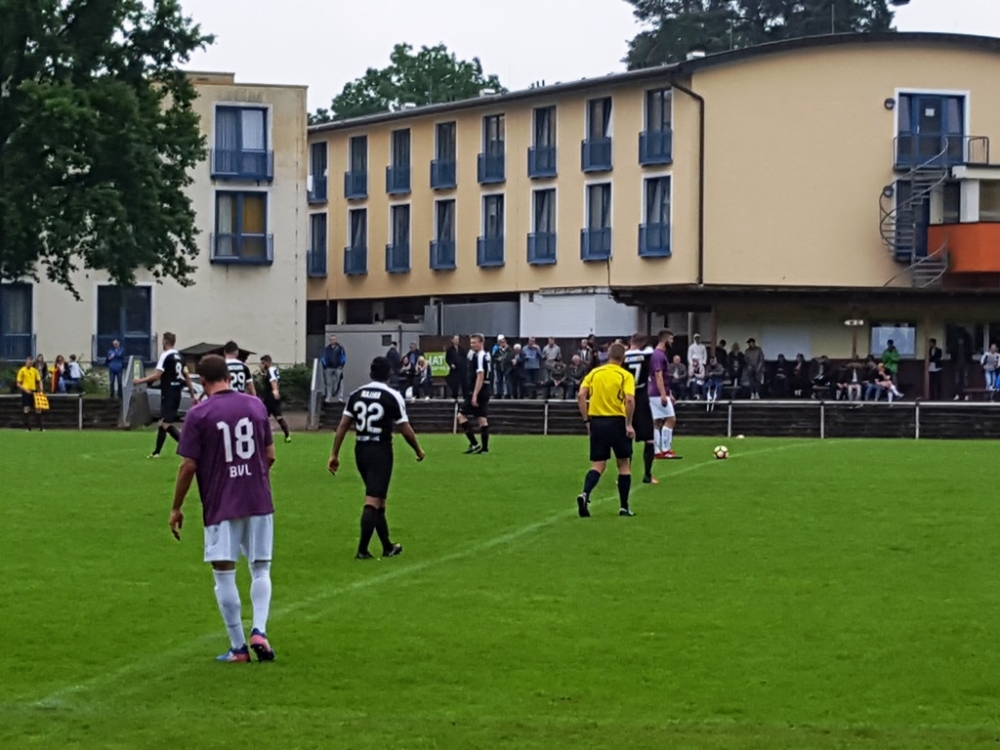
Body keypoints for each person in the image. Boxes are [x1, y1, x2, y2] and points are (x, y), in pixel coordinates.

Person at [171, 355, 277, 663]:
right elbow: (270, 455)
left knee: (224, 573)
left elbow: (188, 465)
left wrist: (176, 507)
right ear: (229, 377)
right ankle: (259, 629)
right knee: (260, 568)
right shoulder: (256, 406)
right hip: (258, 499)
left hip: (221, 501)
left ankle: (238, 647)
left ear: (202, 381)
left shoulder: (199, 413)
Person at [329, 356, 425, 560]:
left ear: (370, 373)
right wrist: (418, 449)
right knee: (373, 499)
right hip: (380, 450)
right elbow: (405, 428)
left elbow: (343, 426)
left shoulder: (356, 394)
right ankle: (362, 550)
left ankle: (387, 546)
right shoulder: (392, 395)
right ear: (389, 374)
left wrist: (334, 454)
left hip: (360, 449)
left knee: (379, 499)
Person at [576, 342, 636, 518]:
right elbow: (630, 400)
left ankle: (585, 494)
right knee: (623, 464)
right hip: (617, 421)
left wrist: (587, 420)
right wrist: (629, 424)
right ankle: (624, 507)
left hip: (597, 421)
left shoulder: (595, 373)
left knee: (598, 464)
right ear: (623, 358)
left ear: (608, 356)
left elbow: (581, 395)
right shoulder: (625, 375)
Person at [133, 332, 199, 458]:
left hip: (169, 392)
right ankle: (156, 452)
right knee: (162, 422)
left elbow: (157, 375)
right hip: (177, 392)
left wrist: (139, 381)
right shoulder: (180, 357)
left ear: (164, 341)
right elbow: (187, 376)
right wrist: (192, 394)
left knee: (164, 424)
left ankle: (187, 446)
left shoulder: (165, 355)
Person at [623, 334, 657, 485]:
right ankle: (648, 475)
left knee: (626, 436)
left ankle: (624, 473)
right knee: (649, 438)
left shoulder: (623, 357)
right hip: (642, 397)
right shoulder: (648, 355)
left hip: (626, 396)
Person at [457, 333, 492, 454]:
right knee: (482, 418)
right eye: (471, 343)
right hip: (486, 388)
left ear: (481, 343)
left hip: (480, 389)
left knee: (461, 415)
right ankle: (485, 448)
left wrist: (475, 394)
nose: (472, 345)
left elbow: (480, 376)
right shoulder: (484, 355)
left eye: (474, 343)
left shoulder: (480, 356)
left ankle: (474, 443)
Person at [649, 330, 681, 460]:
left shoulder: (659, 354)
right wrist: (663, 394)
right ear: (664, 340)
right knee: (671, 419)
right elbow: (658, 375)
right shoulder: (658, 355)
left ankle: (657, 451)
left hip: (654, 393)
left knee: (657, 421)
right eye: (671, 339)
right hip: (657, 393)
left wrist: (669, 393)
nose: (672, 342)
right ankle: (666, 450)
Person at [257, 355, 291, 443]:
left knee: (265, 416)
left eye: (262, 363)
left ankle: (266, 435)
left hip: (270, 398)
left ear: (267, 363)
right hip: (269, 398)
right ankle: (287, 435)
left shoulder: (271, 370)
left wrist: (275, 390)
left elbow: (273, 380)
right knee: (277, 416)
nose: (261, 365)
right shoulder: (271, 370)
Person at [16, 355, 44, 431]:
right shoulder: (22, 370)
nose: (30, 364)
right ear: (26, 362)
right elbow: (18, 383)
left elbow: (39, 380)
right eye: (28, 362)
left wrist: (41, 389)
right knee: (26, 408)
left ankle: (40, 427)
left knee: (38, 408)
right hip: (26, 391)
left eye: (31, 362)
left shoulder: (34, 370)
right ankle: (28, 427)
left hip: (34, 391)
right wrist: (25, 390)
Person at [321, 334, 347, 403]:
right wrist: (325, 365)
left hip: (338, 367)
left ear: (336, 340)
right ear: (330, 340)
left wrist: (341, 365)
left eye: (334, 339)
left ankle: (340, 397)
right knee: (328, 383)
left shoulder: (340, 348)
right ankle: (328, 397)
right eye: (331, 339)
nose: (332, 340)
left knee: (339, 382)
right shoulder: (327, 349)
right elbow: (323, 357)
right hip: (329, 367)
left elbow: (343, 357)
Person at [445, 335, 466, 400]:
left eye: (458, 339)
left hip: (461, 369)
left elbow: (465, 358)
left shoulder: (462, 349)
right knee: (454, 383)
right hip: (454, 370)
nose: (457, 341)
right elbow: (447, 359)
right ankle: (455, 396)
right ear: (452, 340)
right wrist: (451, 364)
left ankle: (465, 396)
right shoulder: (449, 350)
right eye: (455, 339)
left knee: (463, 383)